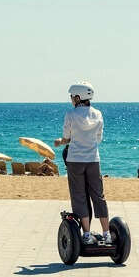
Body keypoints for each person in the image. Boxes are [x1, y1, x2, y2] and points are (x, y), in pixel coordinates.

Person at [54, 81, 111, 245]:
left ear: (78, 97)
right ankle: (106, 233)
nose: (71, 99)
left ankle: (86, 234)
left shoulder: (71, 114)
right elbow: (98, 138)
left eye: (72, 96)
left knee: (79, 196)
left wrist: (60, 142)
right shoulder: (98, 114)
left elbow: (66, 137)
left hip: (75, 160)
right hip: (93, 160)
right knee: (98, 196)